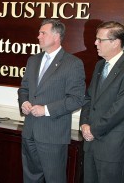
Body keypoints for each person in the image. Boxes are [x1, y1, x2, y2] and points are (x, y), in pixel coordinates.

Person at [18, 19, 86, 183]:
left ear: (56, 36)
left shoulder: (72, 64)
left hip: (52, 136)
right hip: (30, 132)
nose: (38, 36)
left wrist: (46, 109)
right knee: (30, 179)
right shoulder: (33, 60)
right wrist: (24, 102)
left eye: (43, 33)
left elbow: (76, 99)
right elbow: (24, 89)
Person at [80, 21, 124, 183]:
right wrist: (84, 124)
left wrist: (93, 130)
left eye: (100, 39)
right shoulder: (99, 65)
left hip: (113, 148)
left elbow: (120, 109)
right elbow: (89, 98)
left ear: (115, 43)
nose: (95, 43)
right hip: (91, 145)